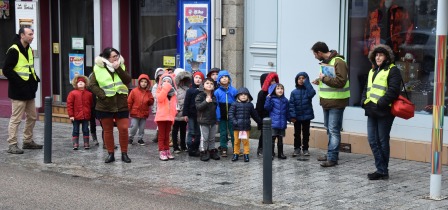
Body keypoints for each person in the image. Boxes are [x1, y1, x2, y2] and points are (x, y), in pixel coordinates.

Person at [361, 44, 401, 180]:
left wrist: (380, 103)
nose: (378, 57)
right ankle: (382, 169)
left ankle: (382, 170)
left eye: (381, 55)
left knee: (382, 141)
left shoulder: (393, 70)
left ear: (387, 57)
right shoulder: (373, 70)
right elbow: (366, 88)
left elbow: (394, 90)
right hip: (371, 110)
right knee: (372, 140)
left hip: (385, 112)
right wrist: (363, 102)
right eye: (376, 55)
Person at [89, 47, 132, 163]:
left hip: (121, 103)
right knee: (107, 131)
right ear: (106, 58)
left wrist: (118, 69)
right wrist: (102, 95)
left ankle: (124, 154)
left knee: (123, 129)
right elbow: (92, 85)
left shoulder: (121, 66)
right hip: (105, 104)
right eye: (113, 56)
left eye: (117, 55)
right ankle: (110, 154)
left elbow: (127, 80)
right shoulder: (98, 68)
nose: (116, 58)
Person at [3, 27, 42, 154]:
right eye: (30, 34)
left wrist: (35, 81)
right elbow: (6, 70)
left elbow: (30, 68)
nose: (32, 36)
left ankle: (27, 141)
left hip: (29, 90)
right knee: (16, 119)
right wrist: (20, 83)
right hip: (18, 91)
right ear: (22, 35)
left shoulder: (29, 49)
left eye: (32, 34)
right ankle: (12, 144)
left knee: (32, 116)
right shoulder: (14, 50)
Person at [311, 41, 350, 167]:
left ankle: (332, 158)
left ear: (319, 52)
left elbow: (340, 82)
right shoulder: (328, 62)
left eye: (314, 54)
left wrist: (323, 79)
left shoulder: (338, 61)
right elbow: (330, 79)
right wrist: (319, 80)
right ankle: (330, 154)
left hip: (336, 102)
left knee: (333, 130)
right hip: (327, 101)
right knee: (330, 129)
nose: (314, 57)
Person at [229, 87, 262, 162]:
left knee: (245, 142)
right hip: (237, 127)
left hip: (245, 127)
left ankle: (246, 154)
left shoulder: (250, 105)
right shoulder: (234, 104)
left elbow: (254, 115)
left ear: (248, 96)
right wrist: (235, 122)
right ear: (238, 96)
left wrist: (260, 121)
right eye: (241, 94)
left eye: (245, 94)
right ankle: (235, 154)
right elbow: (231, 114)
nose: (243, 96)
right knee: (236, 142)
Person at [289, 72, 316, 157]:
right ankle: (297, 148)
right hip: (297, 117)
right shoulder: (293, 92)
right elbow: (291, 105)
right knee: (297, 133)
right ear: (296, 80)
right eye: (299, 78)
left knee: (306, 133)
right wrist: (292, 116)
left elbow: (312, 93)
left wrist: (307, 83)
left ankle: (305, 149)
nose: (301, 80)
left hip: (306, 116)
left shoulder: (308, 91)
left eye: (303, 78)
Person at [195, 78, 220, 161]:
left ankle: (211, 150)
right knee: (204, 138)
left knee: (212, 137)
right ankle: (203, 151)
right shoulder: (200, 96)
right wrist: (206, 101)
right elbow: (198, 107)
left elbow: (215, 107)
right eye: (207, 83)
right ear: (203, 85)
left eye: (211, 84)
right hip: (203, 121)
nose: (209, 85)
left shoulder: (214, 96)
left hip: (212, 120)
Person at [215, 70, 238, 157]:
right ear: (219, 80)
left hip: (232, 117)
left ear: (229, 79)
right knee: (223, 133)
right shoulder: (217, 92)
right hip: (222, 116)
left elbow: (236, 103)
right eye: (222, 77)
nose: (224, 79)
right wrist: (218, 116)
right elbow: (216, 105)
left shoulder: (234, 91)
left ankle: (236, 148)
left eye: (226, 77)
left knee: (233, 133)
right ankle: (223, 147)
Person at [155, 72, 177, 161]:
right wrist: (165, 89)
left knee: (167, 135)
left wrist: (174, 114)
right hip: (161, 117)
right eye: (165, 81)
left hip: (169, 117)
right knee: (162, 135)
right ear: (162, 82)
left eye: (169, 81)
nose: (167, 82)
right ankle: (162, 151)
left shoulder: (173, 93)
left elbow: (174, 104)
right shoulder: (160, 90)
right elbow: (160, 99)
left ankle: (167, 150)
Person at [255, 72, 279, 156]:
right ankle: (261, 148)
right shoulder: (262, 93)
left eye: (274, 80)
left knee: (272, 135)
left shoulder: (276, 92)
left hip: (273, 117)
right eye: (271, 81)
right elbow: (259, 108)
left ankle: (270, 149)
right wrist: (260, 120)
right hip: (264, 118)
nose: (273, 82)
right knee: (264, 134)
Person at [67, 75, 93, 150]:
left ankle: (86, 143)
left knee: (86, 129)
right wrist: (71, 115)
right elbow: (70, 105)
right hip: (76, 116)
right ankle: (75, 143)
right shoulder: (72, 93)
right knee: (75, 130)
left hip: (85, 115)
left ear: (85, 84)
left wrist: (89, 113)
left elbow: (91, 104)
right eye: (79, 82)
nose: (81, 83)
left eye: (82, 82)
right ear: (76, 84)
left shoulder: (89, 94)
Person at [127, 74, 154, 146]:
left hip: (144, 113)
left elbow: (151, 101)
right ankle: (130, 138)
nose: (143, 83)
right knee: (134, 126)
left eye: (145, 82)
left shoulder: (148, 92)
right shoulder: (134, 91)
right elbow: (129, 101)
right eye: (142, 81)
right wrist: (128, 110)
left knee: (142, 128)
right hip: (135, 113)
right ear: (139, 82)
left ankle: (140, 138)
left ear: (147, 83)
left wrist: (149, 100)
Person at [264, 83, 289, 160]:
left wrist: (289, 118)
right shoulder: (271, 99)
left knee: (280, 139)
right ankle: (271, 153)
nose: (280, 90)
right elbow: (267, 107)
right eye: (278, 89)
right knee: (272, 139)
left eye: (281, 89)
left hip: (282, 123)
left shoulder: (285, 100)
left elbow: (287, 111)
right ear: (274, 90)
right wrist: (268, 99)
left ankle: (280, 153)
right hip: (274, 123)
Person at [183, 71, 204, 157]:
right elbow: (186, 103)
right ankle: (190, 147)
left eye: (200, 78)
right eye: (196, 77)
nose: (198, 80)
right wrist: (185, 114)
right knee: (191, 131)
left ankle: (196, 147)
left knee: (198, 132)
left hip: (200, 115)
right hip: (191, 114)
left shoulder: (203, 91)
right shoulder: (189, 91)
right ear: (193, 79)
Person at [172, 69, 191, 153]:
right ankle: (175, 146)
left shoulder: (188, 90)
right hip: (176, 113)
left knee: (183, 130)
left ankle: (183, 145)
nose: (182, 83)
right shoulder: (174, 89)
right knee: (175, 130)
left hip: (184, 114)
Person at [150, 67, 165, 143]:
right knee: (159, 123)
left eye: (162, 75)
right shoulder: (155, 86)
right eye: (159, 76)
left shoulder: (166, 84)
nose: (161, 77)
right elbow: (154, 98)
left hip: (164, 107)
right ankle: (158, 136)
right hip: (157, 107)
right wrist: (154, 109)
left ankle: (161, 136)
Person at [87, 73, 99, 146]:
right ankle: (94, 138)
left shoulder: (101, 85)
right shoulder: (88, 88)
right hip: (91, 107)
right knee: (92, 123)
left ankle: (105, 141)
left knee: (103, 123)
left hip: (100, 106)